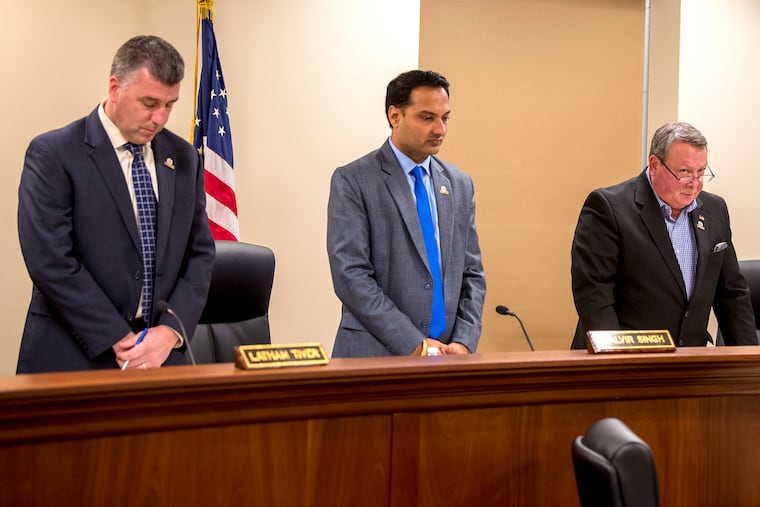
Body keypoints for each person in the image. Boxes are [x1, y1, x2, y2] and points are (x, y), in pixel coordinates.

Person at [17, 35, 215, 372]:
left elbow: (200, 253)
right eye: (149, 102)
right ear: (114, 88)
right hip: (72, 355)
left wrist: (169, 333)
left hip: (159, 357)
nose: (160, 118)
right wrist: (121, 339)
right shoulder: (55, 154)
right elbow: (50, 261)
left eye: (169, 105)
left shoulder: (183, 157)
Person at [327, 70, 486, 357]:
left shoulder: (459, 184)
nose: (440, 129)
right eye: (427, 118)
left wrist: (464, 341)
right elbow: (351, 276)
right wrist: (415, 344)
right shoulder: (353, 180)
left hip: (447, 359)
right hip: (373, 358)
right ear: (394, 116)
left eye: (445, 117)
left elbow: (472, 273)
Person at [570, 121, 757, 349]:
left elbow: (732, 294)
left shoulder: (714, 210)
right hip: (628, 360)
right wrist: (615, 360)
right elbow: (594, 294)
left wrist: (749, 362)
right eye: (684, 172)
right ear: (655, 164)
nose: (694, 184)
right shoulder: (608, 208)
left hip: (690, 363)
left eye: (701, 172)